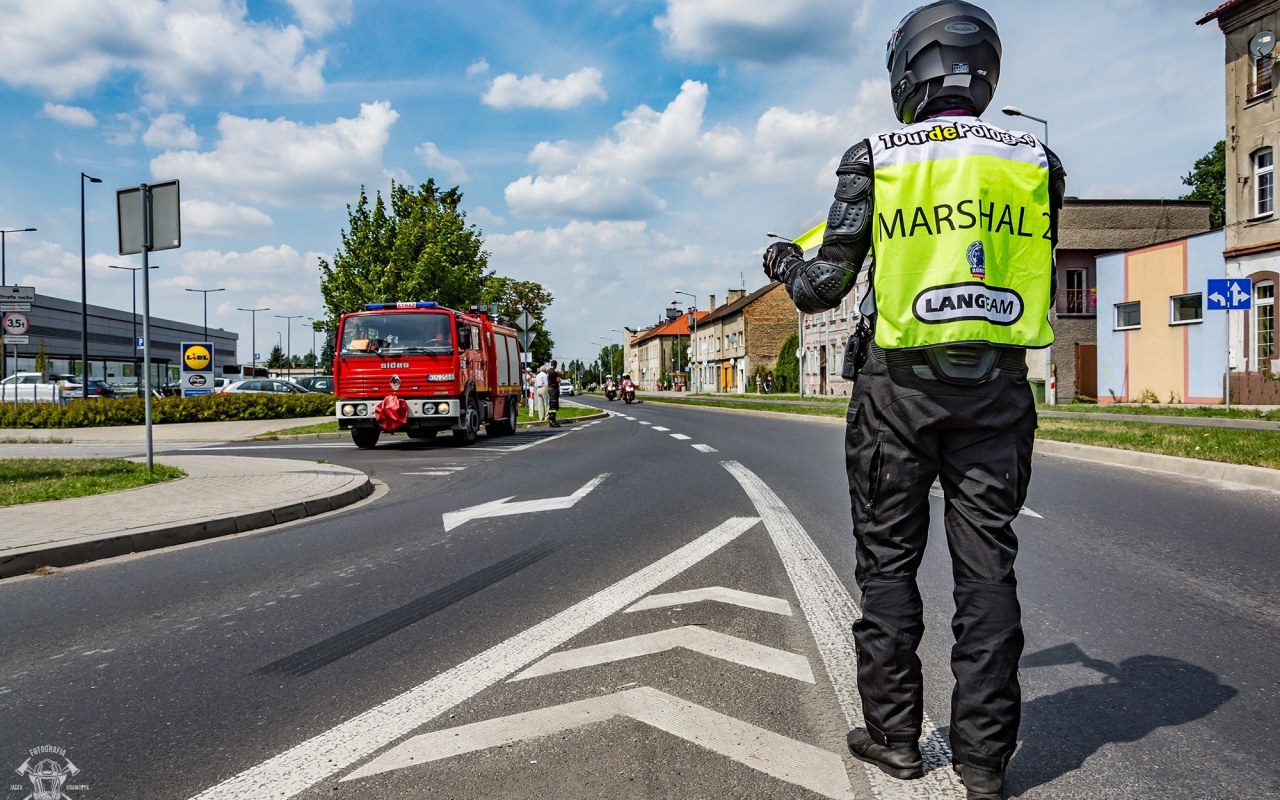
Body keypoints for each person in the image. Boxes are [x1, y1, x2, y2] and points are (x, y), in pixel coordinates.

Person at [762, 4, 1065, 799]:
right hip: (999, 388)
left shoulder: (879, 156)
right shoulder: (1037, 161)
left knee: (889, 568)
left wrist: (782, 262)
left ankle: (895, 738)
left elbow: (825, 283)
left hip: (897, 390)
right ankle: (985, 764)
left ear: (910, 68)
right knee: (988, 573)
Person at [545, 360, 562, 427]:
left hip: (549, 389)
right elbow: (558, 380)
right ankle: (553, 421)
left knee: (551, 405)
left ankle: (551, 421)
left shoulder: (548, 371)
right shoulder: (554, 372)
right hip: (553, 389)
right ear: (555, 365)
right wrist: (559, 380)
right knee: (554, 406)